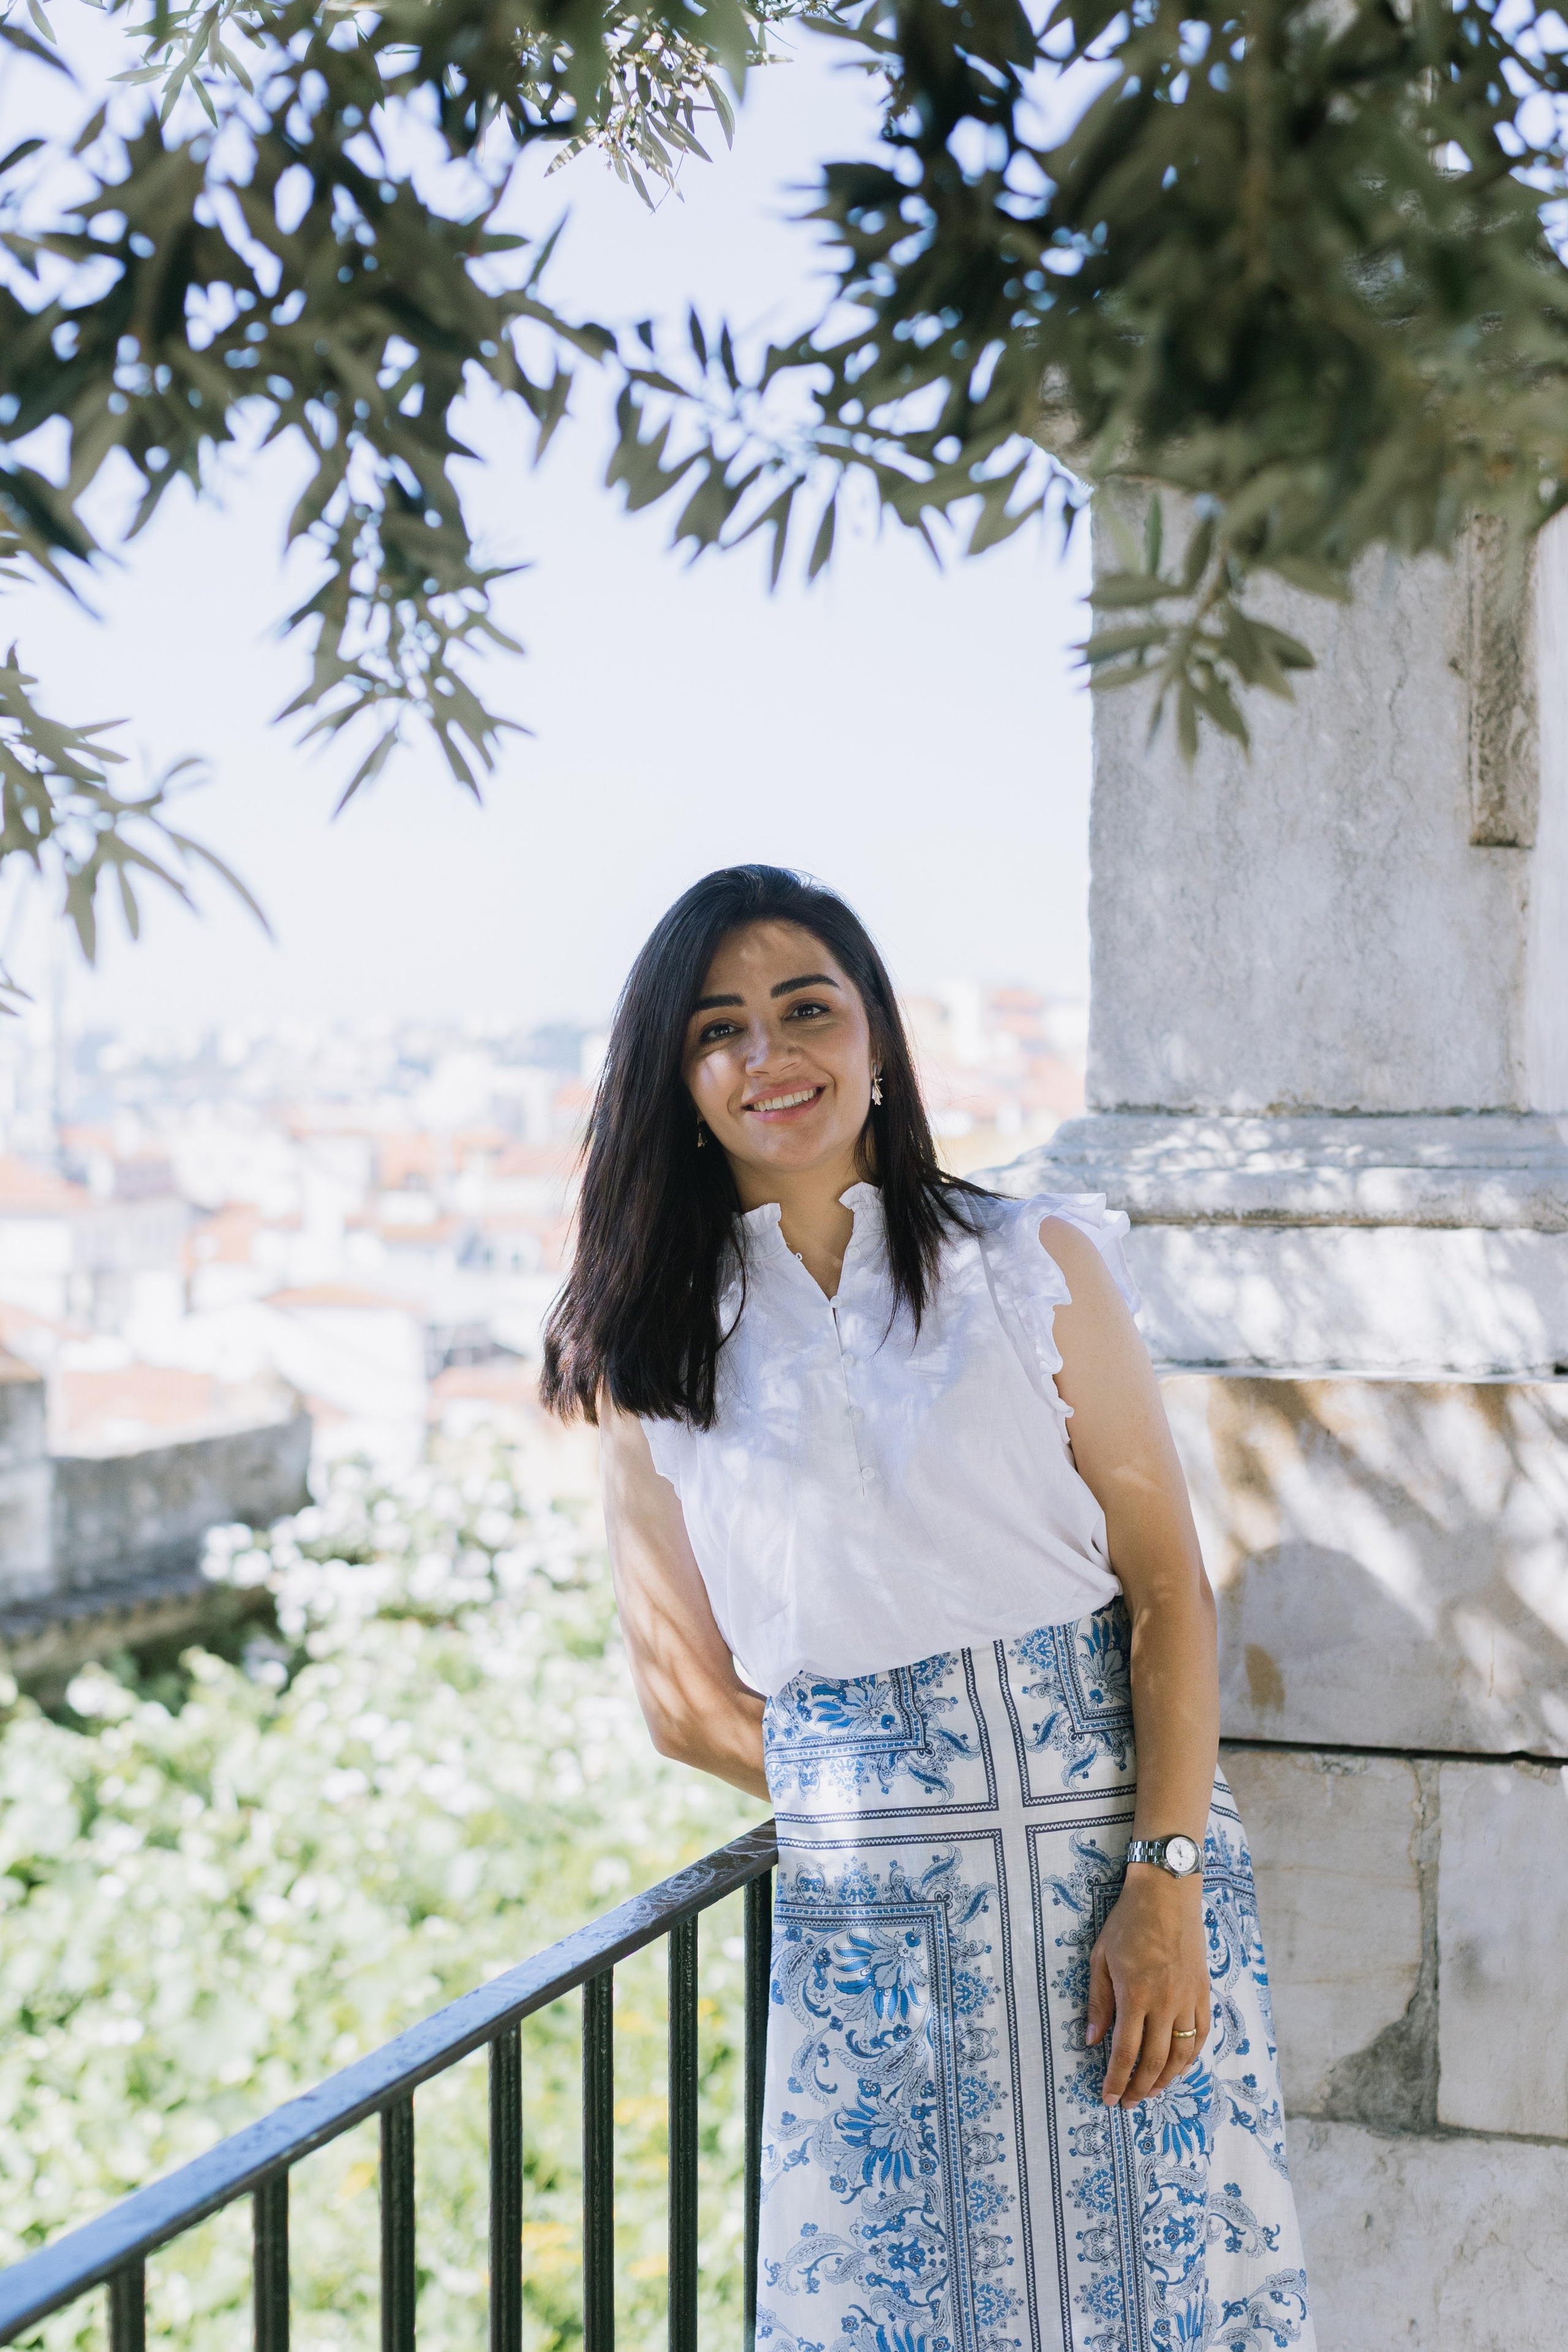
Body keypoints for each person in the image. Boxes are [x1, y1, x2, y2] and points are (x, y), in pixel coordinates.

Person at [543, 865, 1314, 2352]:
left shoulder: (1030, 1265)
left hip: (1122, 1884)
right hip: (870, 1921)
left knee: (1161, 2294)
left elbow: (1165, 1593)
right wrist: (902, 1811)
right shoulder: (648, 1351)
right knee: (899, 2311)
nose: (767, 1057)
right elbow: (684, 1699)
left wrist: (1158, 1879)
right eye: (718, 1030)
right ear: (675, 1078)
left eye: (803, 1010)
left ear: (877, 1037)